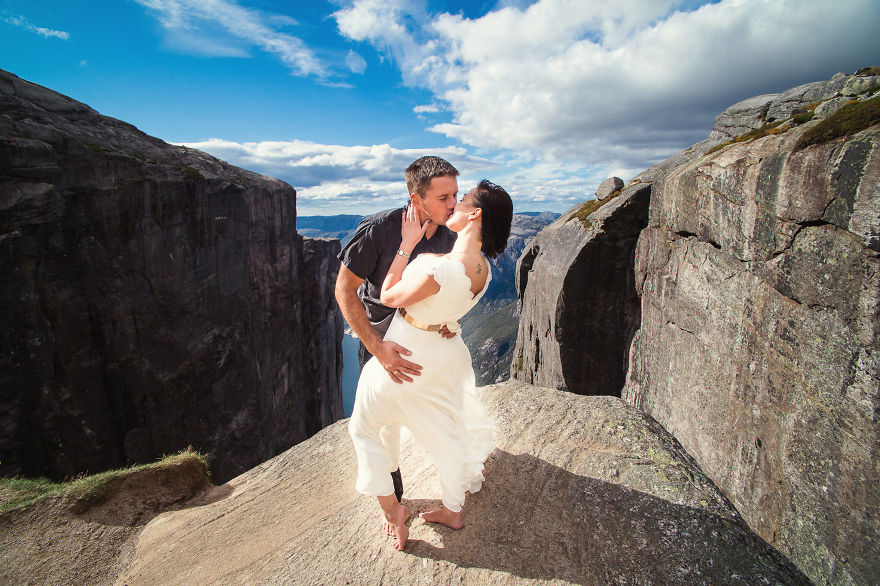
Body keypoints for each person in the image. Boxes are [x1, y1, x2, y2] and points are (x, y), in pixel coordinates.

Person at [348, 180, 514, 551]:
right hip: (445, 350)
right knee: (447, 428)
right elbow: (448, 306)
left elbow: (387, 296)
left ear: (475, 214)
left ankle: (393, 512)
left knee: (365, 427)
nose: (452, 205)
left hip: (407, 355)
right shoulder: (482, 269)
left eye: (460, 200)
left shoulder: (441, 269)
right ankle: (453, 509)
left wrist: (406, 245)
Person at [335, 156, 460, 504]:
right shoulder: (379, 229)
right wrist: (377, 349)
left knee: (440, 415)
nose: (453, 204)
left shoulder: (450, 236)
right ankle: (395, 501)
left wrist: (451, 319)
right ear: (416, 199)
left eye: (455, 195)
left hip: (426, 348)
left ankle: (453, 492)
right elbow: (344, 291)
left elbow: (448, 287)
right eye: (443, 198)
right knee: (383, 429)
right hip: (383, 345)